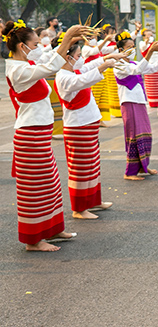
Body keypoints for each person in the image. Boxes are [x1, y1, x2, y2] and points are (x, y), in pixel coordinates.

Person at [4, 21, 85, 251]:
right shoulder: (17, 69)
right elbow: (50, 67)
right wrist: (67, 36)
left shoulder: (27, 62)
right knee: (34, 188)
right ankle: (33, 240)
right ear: (22, 46)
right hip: (30, 134)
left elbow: (49, 58)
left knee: (49, 184)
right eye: (35, 43)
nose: (40, 46)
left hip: (39, 133)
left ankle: (52, 228)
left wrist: (68, 40)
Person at [54, 37, 127, 219]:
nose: (80, 58)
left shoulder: (74, 70)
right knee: (81, 168)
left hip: (88, 124)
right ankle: (79, 208)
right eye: (78, 55)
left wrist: (110, 57)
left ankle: (93, 201)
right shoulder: (63, 77)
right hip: (78, 126)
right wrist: (104, 65)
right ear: (68, 57)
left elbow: (88, 67)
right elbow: (85, 79)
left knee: (92, 165)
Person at [114, 33, 158, 180]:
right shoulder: (118, 65)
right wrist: (150, 51)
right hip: (129, 103)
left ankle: (142, 166)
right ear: (120, 50)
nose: (132, 50)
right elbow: (137, 70)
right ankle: (130, 172)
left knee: (145, 133)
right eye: (129, 47)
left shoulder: (133, 63)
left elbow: (151, 68)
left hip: (139, 102)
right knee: (134, 135)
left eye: (133, 47)